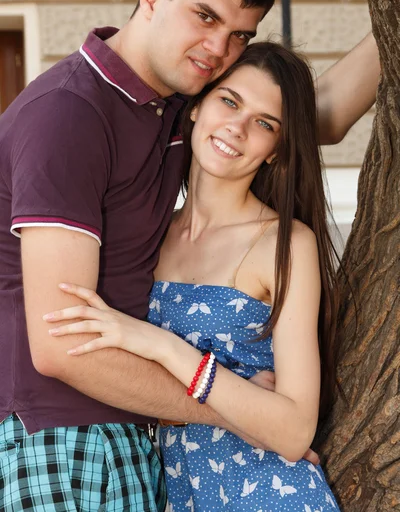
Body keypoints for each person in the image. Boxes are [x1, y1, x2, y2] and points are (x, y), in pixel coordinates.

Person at [0, 0, 379, 511]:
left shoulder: (175, 109)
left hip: (140, 444)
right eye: (205, 17)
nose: (218, 49)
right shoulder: (69, 116)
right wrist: (242, 414)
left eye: (239, 36)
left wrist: (393, 8)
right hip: (63, 438)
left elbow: (313, 117)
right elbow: (59, 346)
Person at [46, 41, 341, 511]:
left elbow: (292, 431)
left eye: (264, 124)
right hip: (170, 491)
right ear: (198, 106)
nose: (237, 128)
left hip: (268, 495)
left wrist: (161, 346)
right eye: (230, 101)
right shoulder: (150, 235)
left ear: (275, 151)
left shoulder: (285, 244)